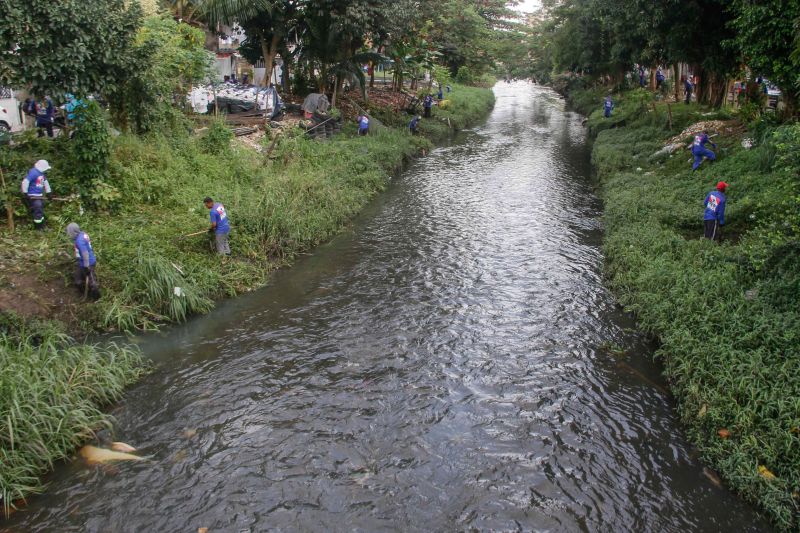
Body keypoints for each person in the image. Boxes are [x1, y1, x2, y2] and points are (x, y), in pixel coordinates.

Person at [66, 223, 100, 299]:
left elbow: (85, 254)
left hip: (88, 263)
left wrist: (87, 266)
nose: (69, 235)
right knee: (78, 280)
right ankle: (84, 293)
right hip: (82, 263)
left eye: (69, 233)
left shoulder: (79, 241)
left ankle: (96, 298)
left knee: (92, 283)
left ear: (73, 232)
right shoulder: (82, 234)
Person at [21, 160, 52, 230]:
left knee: (40, 210)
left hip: (39, 196)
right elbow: (25, 182)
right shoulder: (33, 173)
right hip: (33, 196)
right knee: (38, 209)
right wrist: (25, 193)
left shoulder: (41, 174)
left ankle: (42, 225)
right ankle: (38, 227)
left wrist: (49, 192)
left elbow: (46, 183)